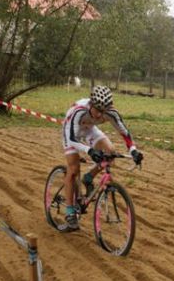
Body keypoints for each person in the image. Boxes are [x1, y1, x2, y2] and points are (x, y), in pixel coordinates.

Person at [60, 85, 143, 232]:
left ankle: (88, 177)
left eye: (103, 111)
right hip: (71, 130)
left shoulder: (111, 113)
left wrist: (134, 150)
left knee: (110, 152)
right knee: (73, 169)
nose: (99, 115)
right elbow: (72, 138)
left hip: (89, 128)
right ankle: (70, 212)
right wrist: (90, 150)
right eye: (97, 110)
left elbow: (124, 133)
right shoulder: (79, 111)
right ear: (91, 104)